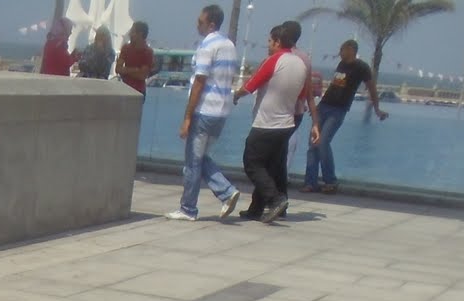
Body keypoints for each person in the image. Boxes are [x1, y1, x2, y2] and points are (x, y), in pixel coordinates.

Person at [234, 23, 320, 223]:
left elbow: (251, 85)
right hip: (287, 123)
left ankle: (275, 199)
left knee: (252, 163)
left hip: (266, 123)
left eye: (270, 41)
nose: (268, 45)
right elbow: (303, 95)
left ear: (278, 42)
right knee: (272, 166)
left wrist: (236, 95)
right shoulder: (301, 64)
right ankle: (256, 209)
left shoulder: (273, 60)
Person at [165, 5, 240, 222]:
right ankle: (226, 191)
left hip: (205, 110)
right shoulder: (229, 46)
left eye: (200, 21)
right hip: (221, 112)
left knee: (192, 162)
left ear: (211, 24)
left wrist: (187, 117)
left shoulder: (207, 46)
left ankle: (189, 207)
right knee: (200, 158)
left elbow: (200, 81)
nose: (197, 25)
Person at [303, 39, 388, 193]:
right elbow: (334, 87)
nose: (339, 53)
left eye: (342, 50)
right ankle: (310, 182)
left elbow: (372, 88)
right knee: (313, 143)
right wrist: (317, 107)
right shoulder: (341, 64)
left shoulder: (361, 67)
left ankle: (330, 181)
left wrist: (377, 109)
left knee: (323, 142)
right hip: (324, 106)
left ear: (350, 49)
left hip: (338, 110)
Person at [114, 21, 155, 97]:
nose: (130, 34)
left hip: (139, 92)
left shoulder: (148, 52)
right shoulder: (125, 48)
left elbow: (142, 76)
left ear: (140, 34)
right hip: (124, 90)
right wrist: (136, 70)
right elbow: (118, 69)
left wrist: (125, 71)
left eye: (132, 32)